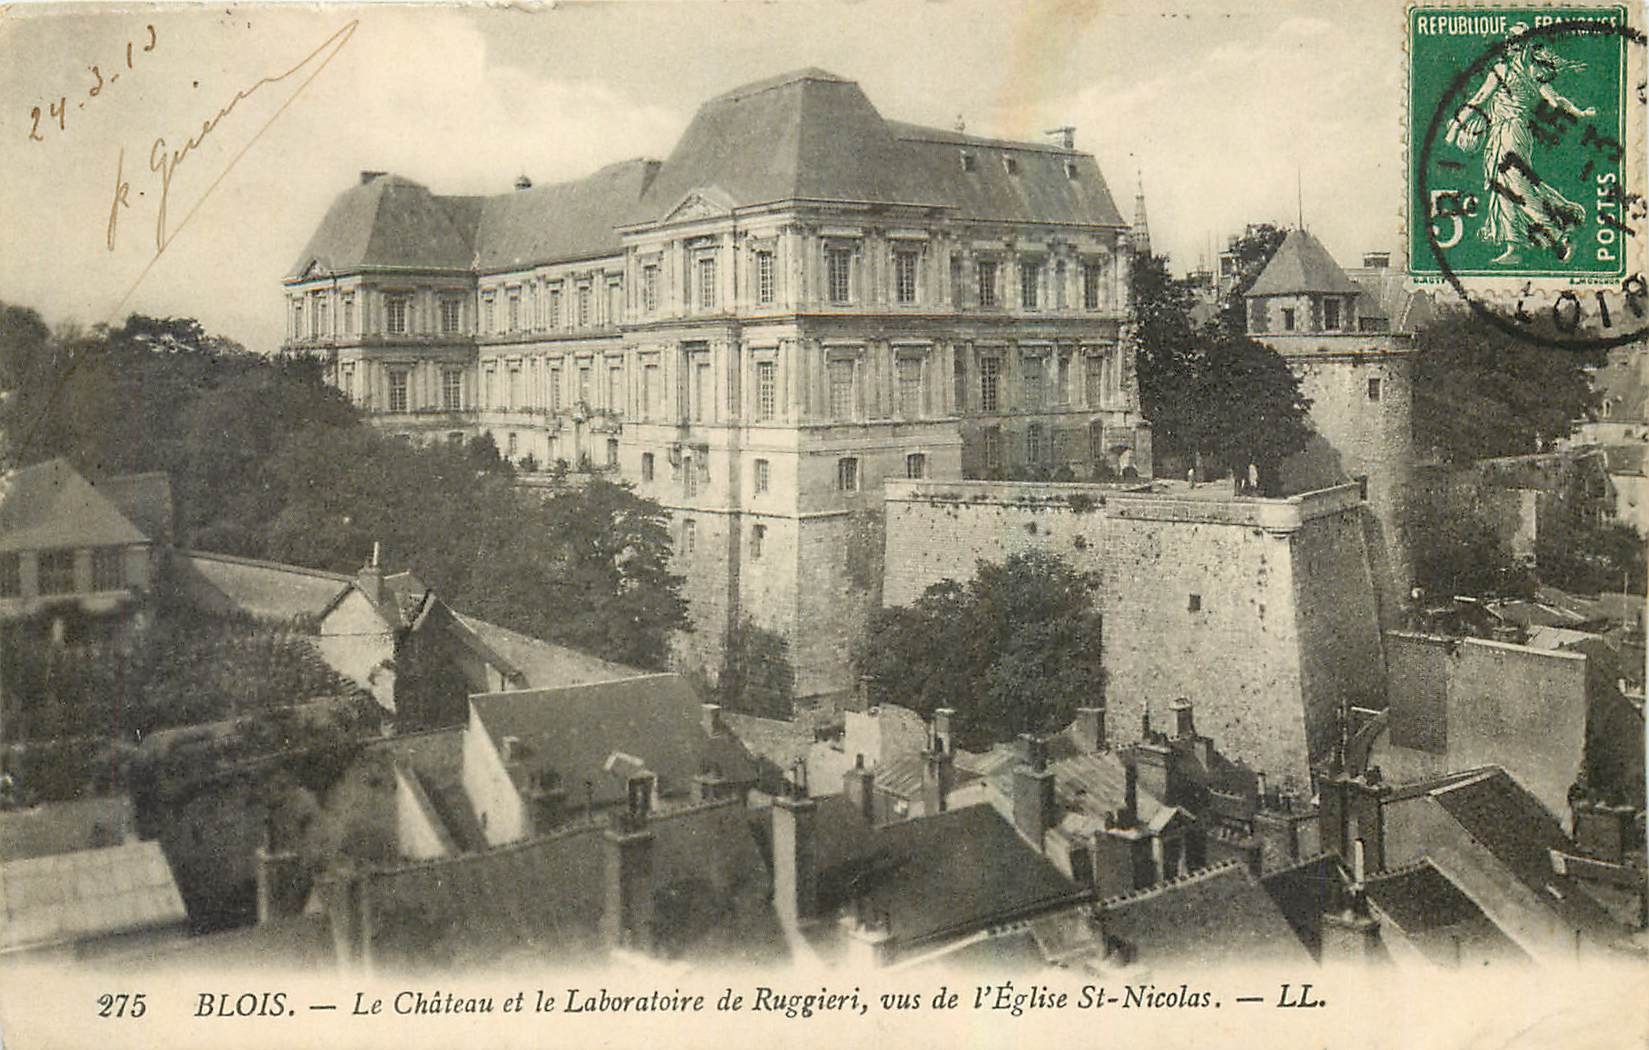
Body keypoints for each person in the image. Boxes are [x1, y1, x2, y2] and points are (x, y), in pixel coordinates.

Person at [1446, 23, 1595, 264]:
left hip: (1510, 132)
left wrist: (1455, 126)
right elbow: (1556, 100)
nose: (1512, 44)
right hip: (1507, 132)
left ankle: (1558, 234)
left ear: (1525, 44)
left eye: (1516, 40)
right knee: (1503, 185)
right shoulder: (1530, 71)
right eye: (1510, 39)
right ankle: (1515, 245)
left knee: (1516, 185)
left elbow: (1480, 98)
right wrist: (1580, 112)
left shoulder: (1505, 69)